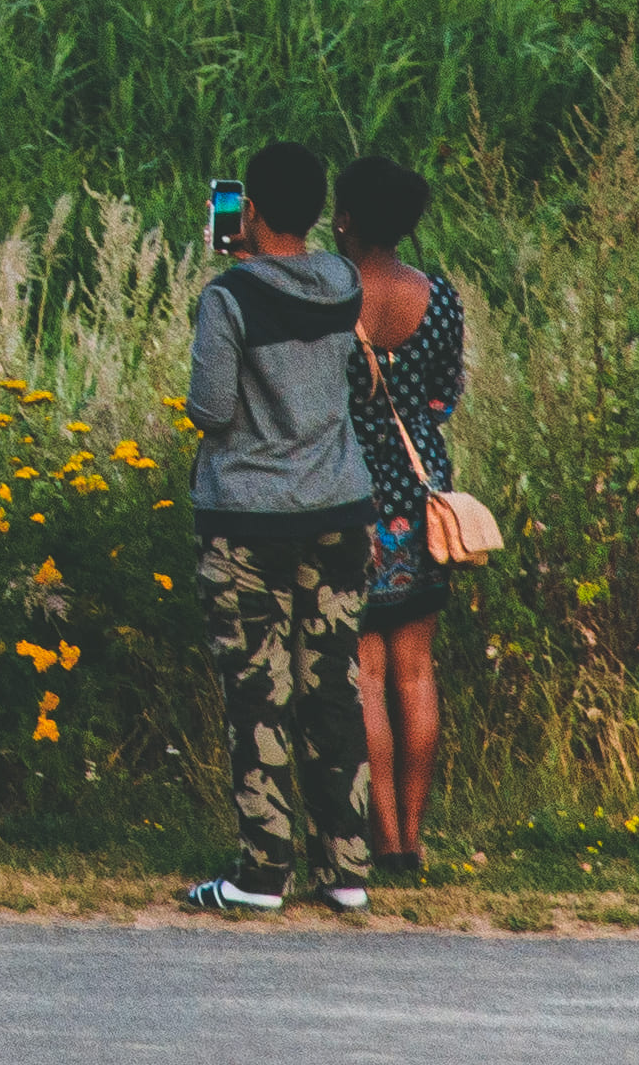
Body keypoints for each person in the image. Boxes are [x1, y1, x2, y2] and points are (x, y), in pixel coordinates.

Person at [175, 136, 378, 916]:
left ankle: (262, 872)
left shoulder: (229, 297)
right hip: (338, 511)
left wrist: (233, 269)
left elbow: (211, 408)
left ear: (248, 210)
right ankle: (348, 869)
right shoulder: (342, 283)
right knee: (331, 685)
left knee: (259, 689)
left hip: (247, 520)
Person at [338, 153, 474, 884]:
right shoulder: (440, 295)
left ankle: (378, 835)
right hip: (423, 497)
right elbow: (446, 395)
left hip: (352, 494)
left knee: (364, 674)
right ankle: (411, 844)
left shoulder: (330, 296)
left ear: (345, 218)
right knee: (416, 674)